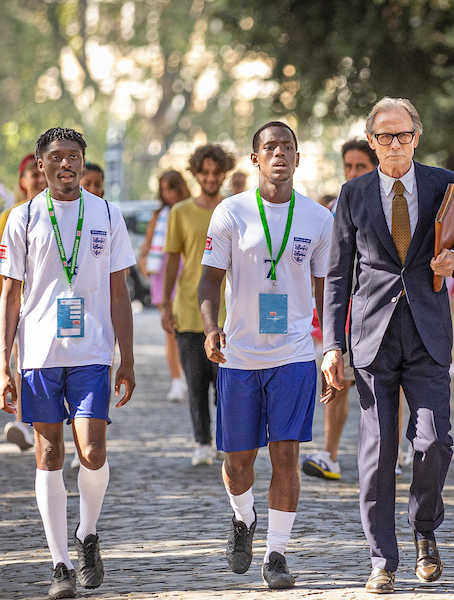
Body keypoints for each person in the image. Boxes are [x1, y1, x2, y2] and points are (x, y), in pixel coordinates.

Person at [322, 97, 454, 593]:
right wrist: (332, 345)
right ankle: (381, 558)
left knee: (433, 442)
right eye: (384, 136)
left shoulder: (441, 184)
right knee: (379, 449)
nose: (394, 144)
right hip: (372, 337)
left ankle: (424, 530)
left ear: (416, 136)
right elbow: (338, 275)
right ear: (371, 141)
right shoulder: (353, 193)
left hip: (428, 331)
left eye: (403, 134)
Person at [0, 127, 136, 600]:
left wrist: (127, 359)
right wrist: (2, 366)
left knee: (92, 452)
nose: (66, 164)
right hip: (39, 356)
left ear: (83, 162)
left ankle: (87, 532)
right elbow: (9, 297)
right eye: (56, 157)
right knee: (50, 454)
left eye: (74, 156)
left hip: (92, 354)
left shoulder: (106, 213)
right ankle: (59, 564)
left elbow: (120, 290)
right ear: (41, 165)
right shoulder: (22, 217)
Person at [197, 121, 332, 590]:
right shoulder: (231, 213)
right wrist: (212, 328)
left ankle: (276, 553)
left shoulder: (317, 219)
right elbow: (209, 280)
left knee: (286, 457)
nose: (279, 154)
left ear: (298, 158)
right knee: (237, 464)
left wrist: (331, 348)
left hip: (294, 355)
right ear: (255, 159)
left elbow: (327, 292)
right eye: (269, 147)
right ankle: (243, 517)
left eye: (287, 147)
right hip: (239, 356)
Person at [301, 139, 377, 481]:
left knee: (387, 386)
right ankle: (329, 455)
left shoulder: (387, 203)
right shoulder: (335, 207)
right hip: (343, 314)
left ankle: (389, 456)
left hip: (379, 310)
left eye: (360, 166)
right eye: (348, 166)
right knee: (337, 381)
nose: (352, 172)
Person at [161, 147, 235, 466]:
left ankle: (226, 439)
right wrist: (165, 304)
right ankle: (202, 442)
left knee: (227, 382)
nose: (210, 178)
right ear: (195, 174)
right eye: (204, 172)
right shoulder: (179, 212)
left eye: (216, 172)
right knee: (196, 382)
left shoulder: (235, 209)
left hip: (230, 311)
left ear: (224, 173)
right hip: (190, 311)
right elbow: (172, 260)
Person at [0, 152, 49, 452]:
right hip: (19, 303)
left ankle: (36, 423)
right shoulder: (13, 215)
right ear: (23, 181)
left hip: (50, 308)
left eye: (43, 173)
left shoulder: (63, 212)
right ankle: (23, 421)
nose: (41, 179)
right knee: (22, 359)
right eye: (34, 174)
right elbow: (1, 269)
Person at [140, 169, 199, 404]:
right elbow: (145, 246)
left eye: (173, 188)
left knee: (190, 328)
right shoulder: (158, 215)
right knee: (171, 331)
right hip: (163, 273)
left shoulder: (190, 210)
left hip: (187, 272)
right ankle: (176, 380)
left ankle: (191, 374)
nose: (169, 193)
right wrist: (144, 262)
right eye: (165, 189)